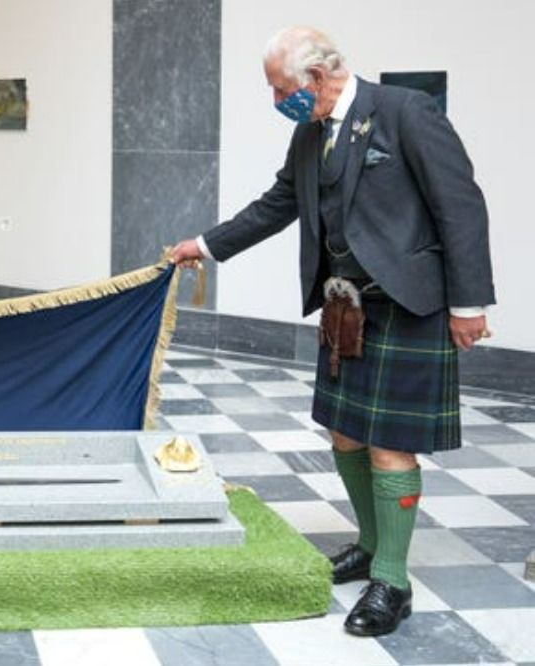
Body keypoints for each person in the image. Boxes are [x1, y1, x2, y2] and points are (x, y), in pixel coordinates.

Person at [169, 26, 494, 636]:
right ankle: (371, 546)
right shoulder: (309, 132)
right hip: (345, 309)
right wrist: (204, 246)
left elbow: (461, 204)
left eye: (280, 88)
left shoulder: (405, 113)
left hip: (408, 306)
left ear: (316, 78)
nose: (277, 101)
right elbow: (276, 205)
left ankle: (392, 583)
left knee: (389, 444)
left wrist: (468, 302)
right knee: (345, 433)